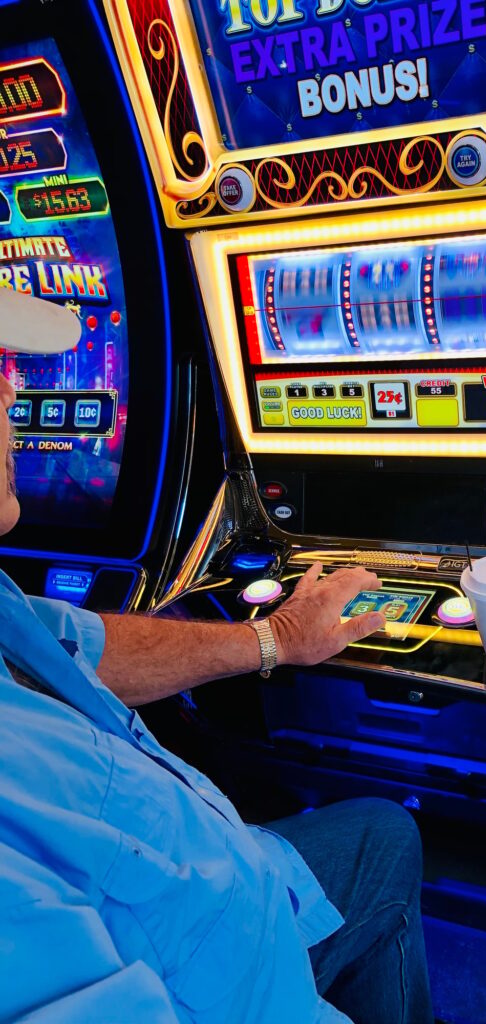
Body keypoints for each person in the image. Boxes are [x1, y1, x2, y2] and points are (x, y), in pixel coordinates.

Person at [0, 287, 434, 1023]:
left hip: (228, 897)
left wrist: (280, 638)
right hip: (242, 988)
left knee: (384, 835)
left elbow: (84, 646)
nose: (12, 398)